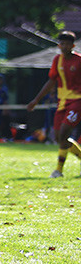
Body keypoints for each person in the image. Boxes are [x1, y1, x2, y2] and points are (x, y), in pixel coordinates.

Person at [27, 31, 81, 177]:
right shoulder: (57, 60)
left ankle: (58, 170)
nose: (64, 46)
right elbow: (51, 81)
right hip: (62, 103)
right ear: (59, 45)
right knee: (58, 138)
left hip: (77, 102)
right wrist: (36, 100)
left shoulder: (79, 61)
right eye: (62, 43)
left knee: (64, 133)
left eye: (67, 44)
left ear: (73, 45)